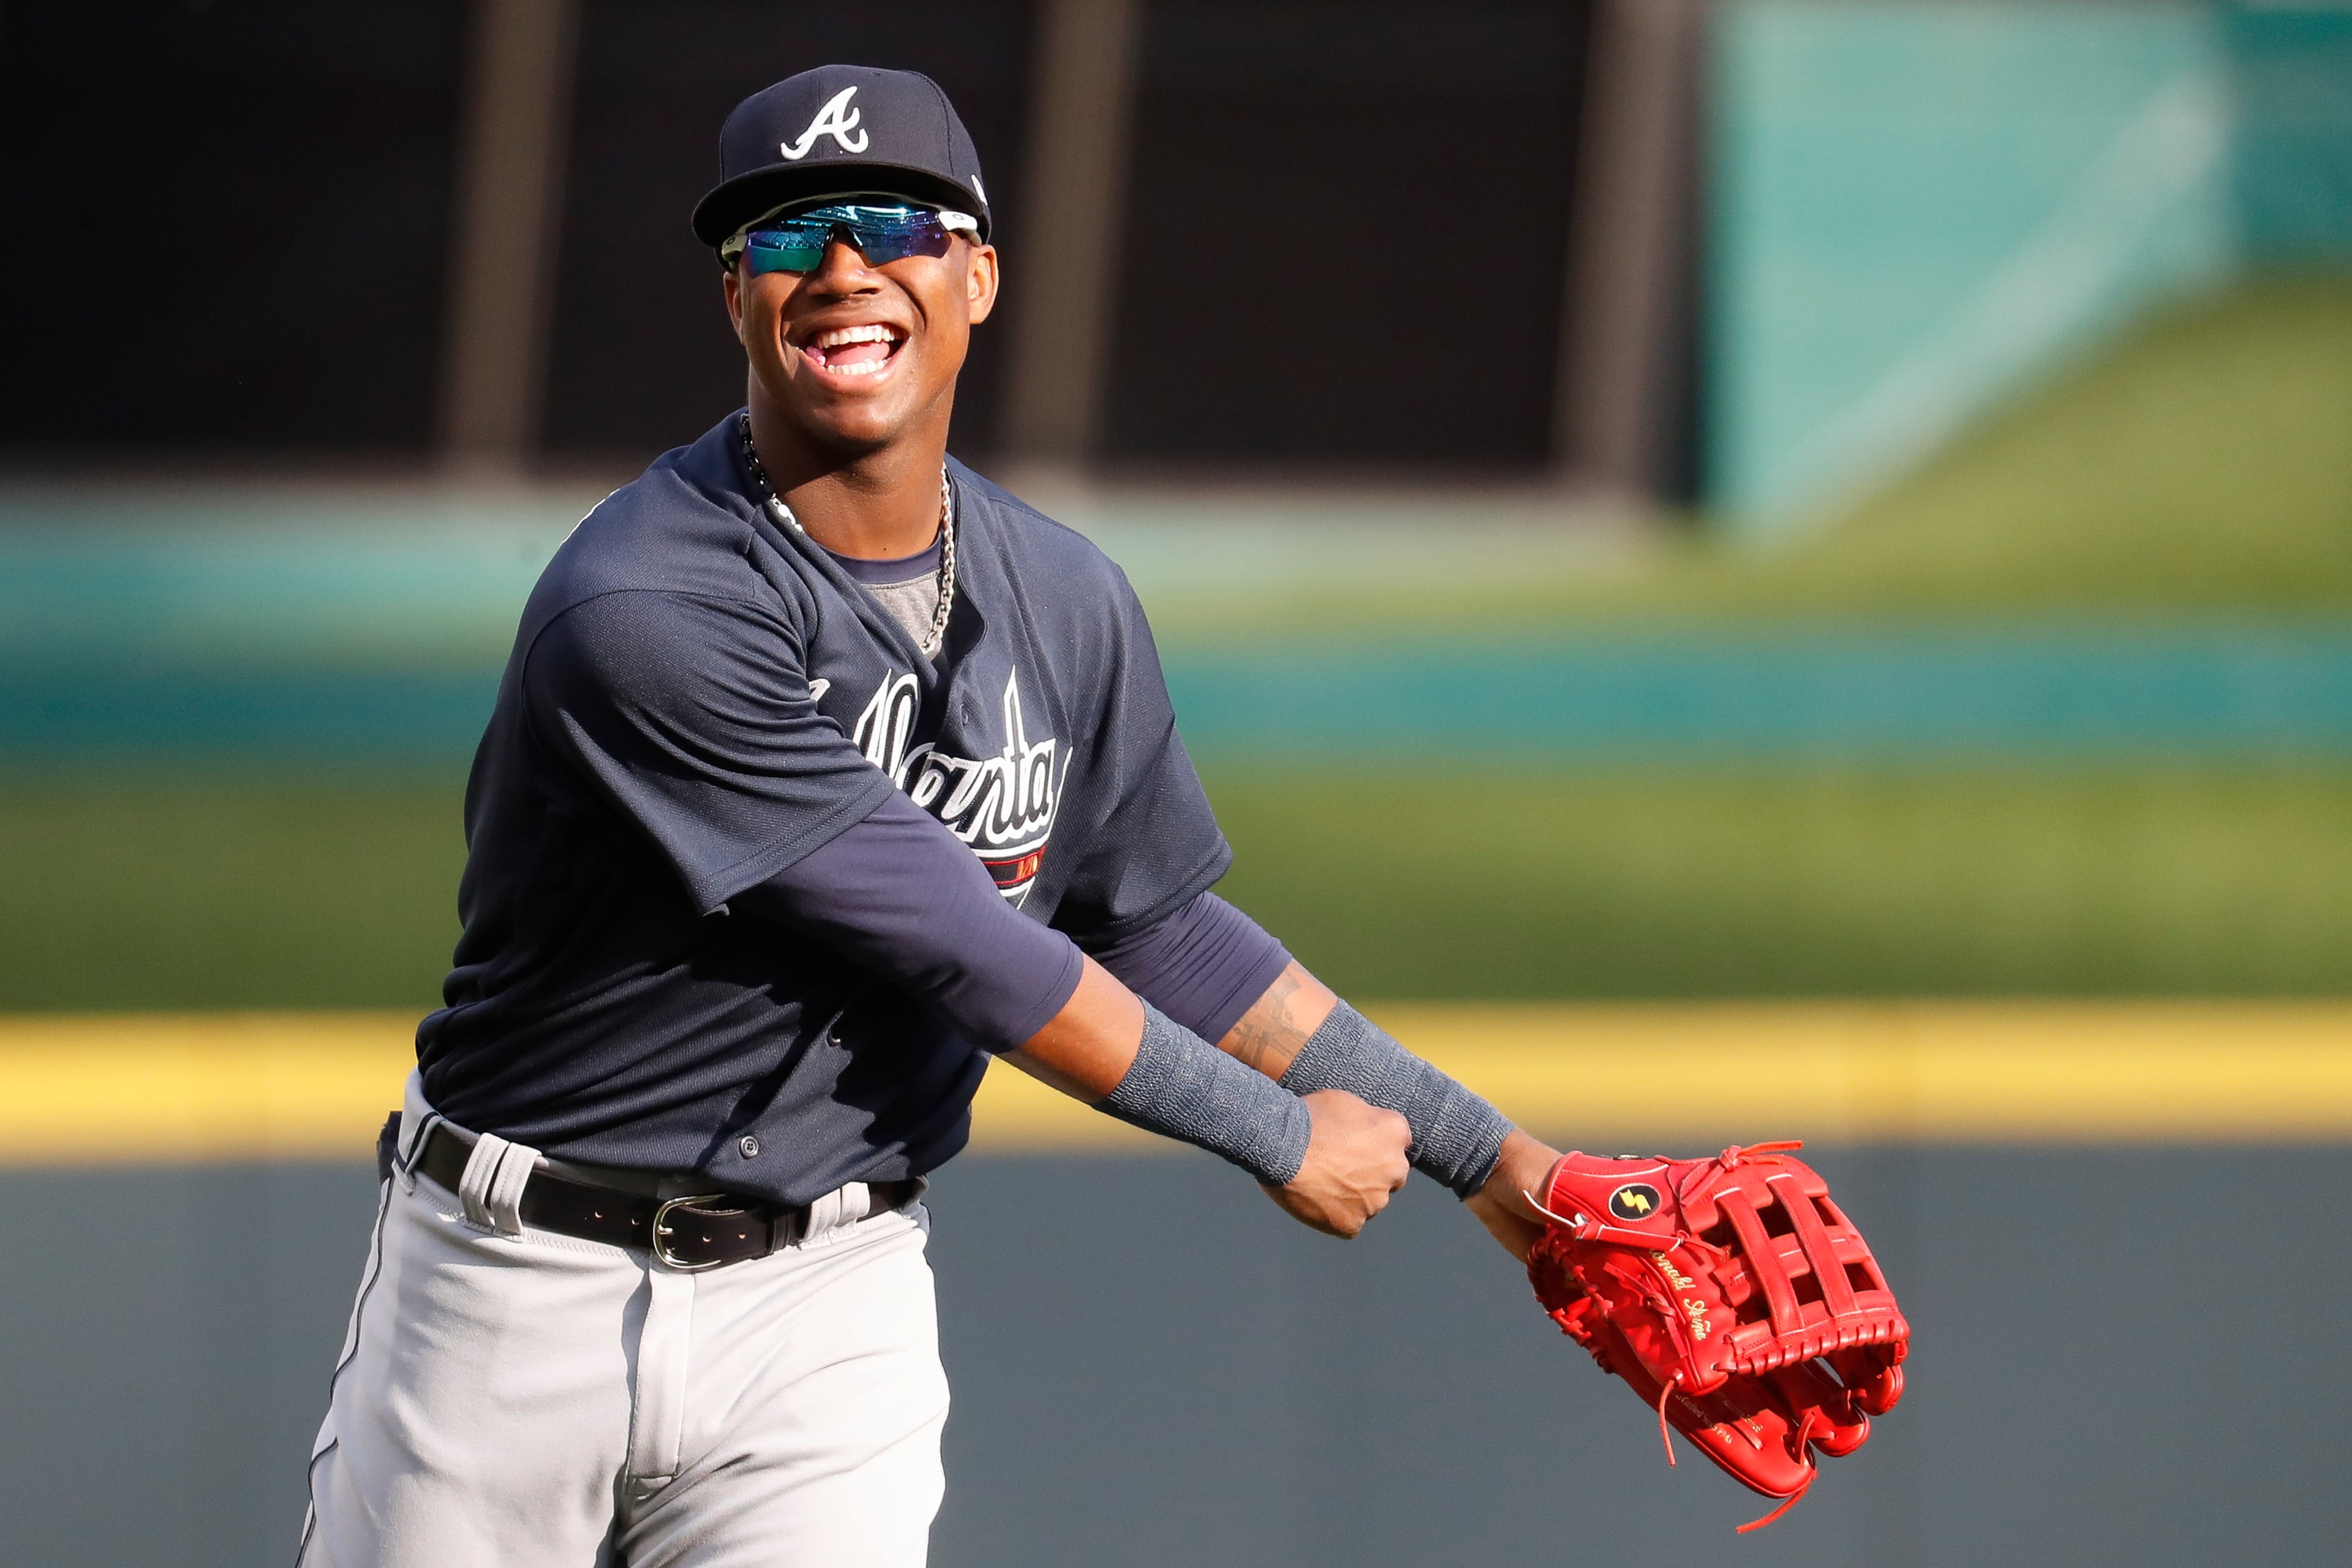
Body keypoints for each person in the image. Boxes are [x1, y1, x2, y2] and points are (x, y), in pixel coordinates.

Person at [299, 62, 1562, 1568]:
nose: (841, 271)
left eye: (889, 220)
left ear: (977, 274)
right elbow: (977, 953)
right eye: (782, 237)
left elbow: (1153, 924)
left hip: (829, 1305)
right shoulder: (643, 601)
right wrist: (1278, 1136)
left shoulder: (1068, 599)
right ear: (734, 295)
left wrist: (1505, 1165)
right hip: (517, 1288)